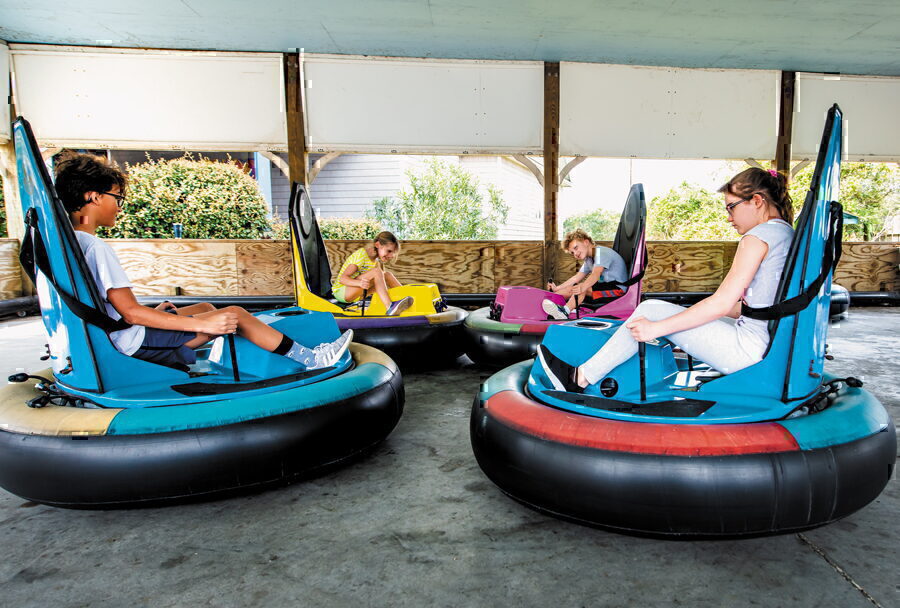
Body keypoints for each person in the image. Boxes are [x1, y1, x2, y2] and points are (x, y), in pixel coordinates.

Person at [52, 151, 352, 372]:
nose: (119, 206)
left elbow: (115, 310)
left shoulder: (71, 244)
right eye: (116, 197)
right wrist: (196, 323)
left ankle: (215, 348)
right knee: (235, 313)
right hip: (131, 342)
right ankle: (311, 359)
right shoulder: (95, 247)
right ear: (92, 197)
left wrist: (194, 317)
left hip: (115, 334)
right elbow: (131, 314)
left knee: (207, 309)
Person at [538, 168, 795, 392]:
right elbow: (759, 306)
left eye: (731, 207)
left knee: (650, 311)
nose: (729, 217)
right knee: (660, 311)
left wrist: (658, 328)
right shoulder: (784, 232)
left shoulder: (756, 238)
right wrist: (680, 317)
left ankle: (579, 378)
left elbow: (720, 303)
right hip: (766, 344)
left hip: (749, 351)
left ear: (757, 201)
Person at [542, 228, 628, 319]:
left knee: (582, 288)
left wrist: (583, 287)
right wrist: (557, 289)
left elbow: (595, 274)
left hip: (618, 290)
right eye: (572, 253)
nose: (575, 254)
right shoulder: (589, 259)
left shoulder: (600, 252)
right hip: (605, 287)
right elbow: (576, 278)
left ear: (586, 242)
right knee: (575, 288)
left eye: (576, 248)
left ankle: (564, 312)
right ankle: (548, 303)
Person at [331, 231, 413, 316]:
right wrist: (359, 283)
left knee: (387, 275)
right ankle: (389, 306)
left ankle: (411, 299)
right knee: (377, 272)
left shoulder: (376, 261)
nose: (391, 256)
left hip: (356, 294)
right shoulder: (362, 255)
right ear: (377, 245)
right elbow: (342, 279)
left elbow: (378, 284)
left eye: (393, 253)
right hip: (342, 292)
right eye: (389, 251)